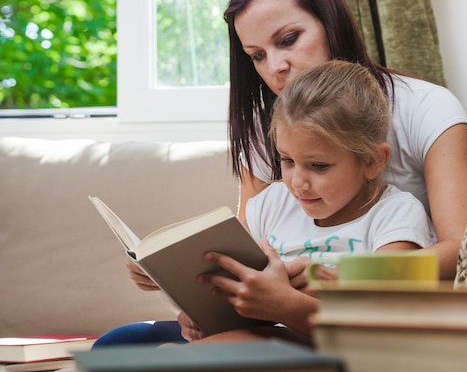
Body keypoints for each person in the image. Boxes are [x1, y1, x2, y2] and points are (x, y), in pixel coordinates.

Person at [95, 0, 467, 347]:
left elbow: (466, 251)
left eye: (288, 39)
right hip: (275, 323)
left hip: (360, 322)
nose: (275, 67)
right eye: (257, 55)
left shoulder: (427, 108)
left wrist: (352, 274)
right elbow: (250, 253)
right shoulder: (273, 128)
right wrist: (184, 285)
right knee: (122, 342)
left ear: (331, 22)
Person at [96, 60, 437, 347]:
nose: (298, 182)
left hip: (323, 343)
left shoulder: (396, 215)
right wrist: (178, 290)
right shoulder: (273, 203)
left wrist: (287, 307)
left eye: (318, 166)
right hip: (254, 334)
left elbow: (386, 326)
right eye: (287, 161)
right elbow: (227, 283)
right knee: (120, 341)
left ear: (373, 161)